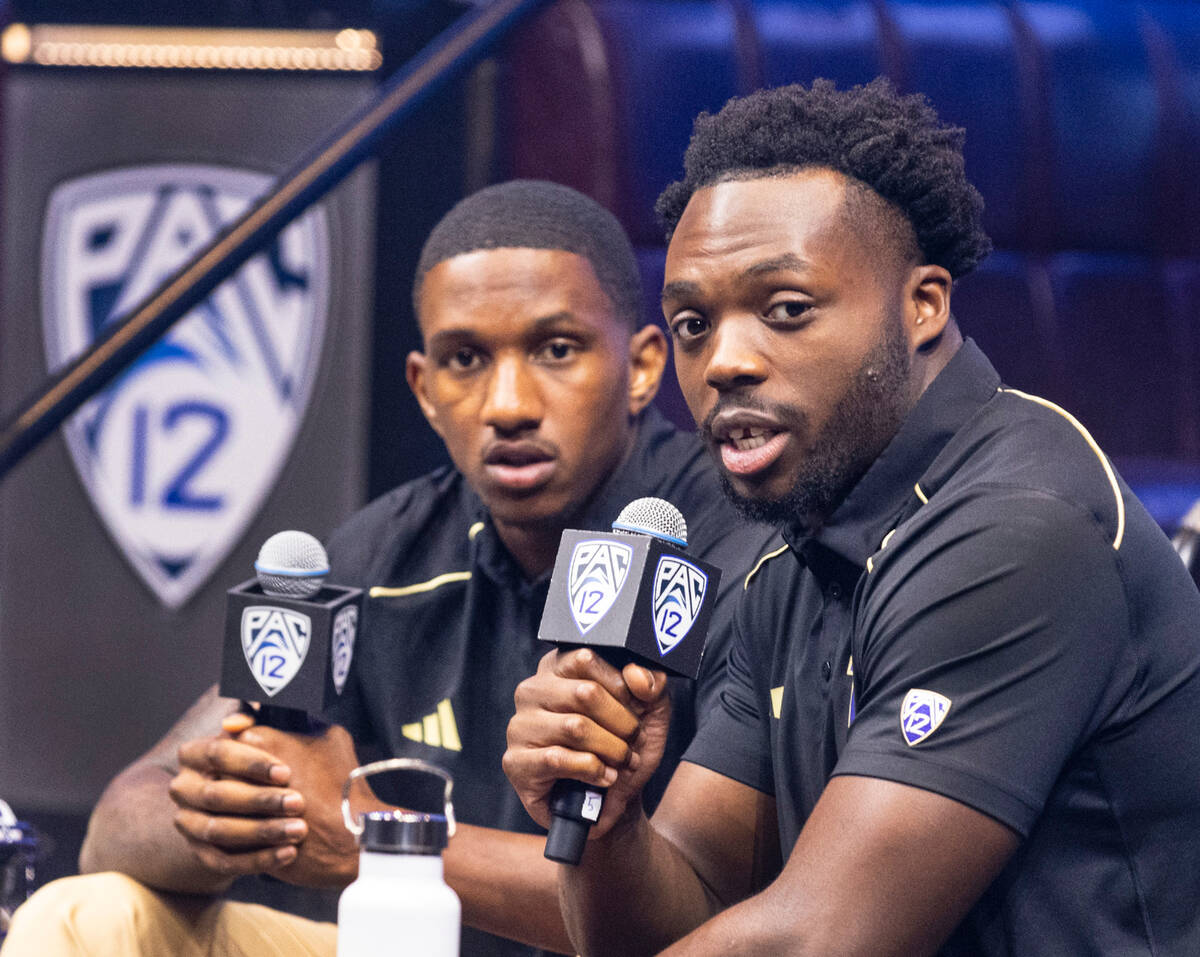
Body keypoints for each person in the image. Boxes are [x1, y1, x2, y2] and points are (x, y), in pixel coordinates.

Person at [503, 79, 1200, 955]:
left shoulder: (1017, 527)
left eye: (785, 309)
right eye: (690, 322)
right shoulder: (790, 552)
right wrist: (608, 823)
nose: (724, 361)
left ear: (924, 305)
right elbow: (685, 905)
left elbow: (816, 942)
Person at [4, 180, 775, 956]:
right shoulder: (385, 552)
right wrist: (225, 811)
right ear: (425, 389)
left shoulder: (730, 547)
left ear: (642, 366)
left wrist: (367, 836)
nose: (507, 403)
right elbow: (116, 826)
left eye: (556, 349)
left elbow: (697, 908)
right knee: (84, 916)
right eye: (465, 359)